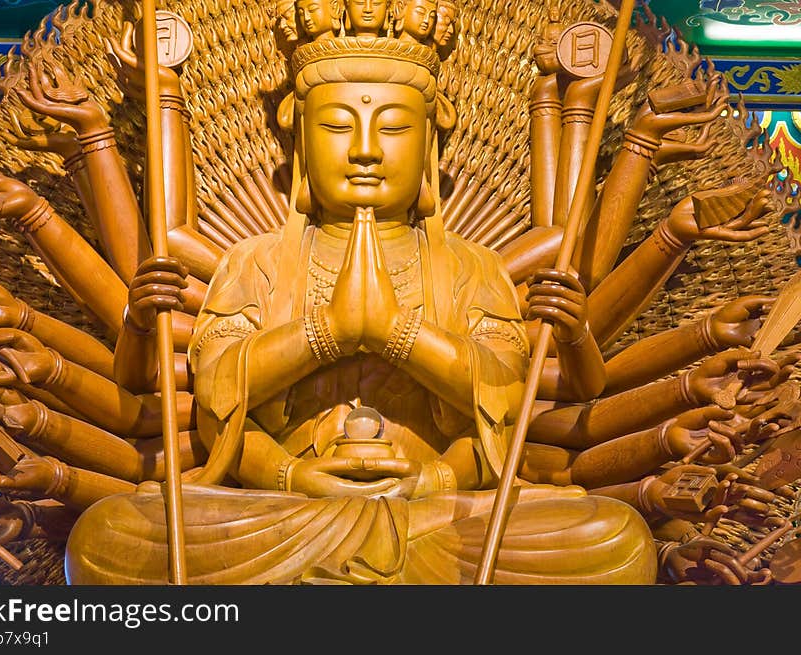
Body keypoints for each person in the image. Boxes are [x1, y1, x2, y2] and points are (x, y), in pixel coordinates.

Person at [62, 4, 657, 585]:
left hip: (438, 510)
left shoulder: (470, 268)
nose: (366, 149)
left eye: (394, 126)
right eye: (338, 126)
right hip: (283, 509)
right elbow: (219, 399)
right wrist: (325, 341)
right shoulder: (257, 264)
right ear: (300, 141)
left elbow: (503, 401)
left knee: (613, 537)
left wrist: (400, 342)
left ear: (428, 145)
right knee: (109, 536)